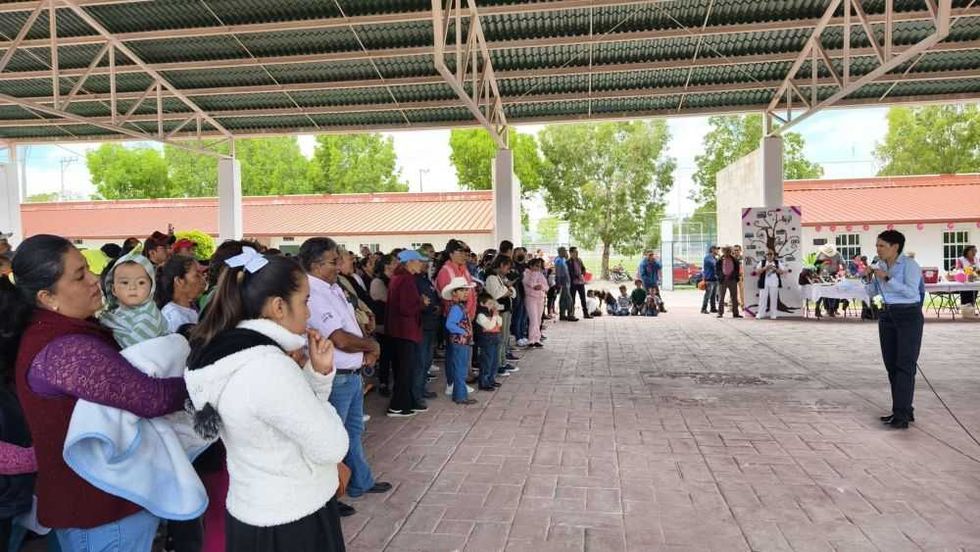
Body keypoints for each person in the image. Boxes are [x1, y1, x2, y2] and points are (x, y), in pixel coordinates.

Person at [2, 234, 188, 550]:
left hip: (100, 500)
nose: (94, 280)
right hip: (99, 507)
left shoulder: (60, 331)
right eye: (79, 276)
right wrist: (206, 380)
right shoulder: (63, 349)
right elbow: (151, 397)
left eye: (89, 269)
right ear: (48, 297)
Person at [184, 249, 350, 551]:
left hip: (254, 511)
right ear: (278, 306)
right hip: (294, 518)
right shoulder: (266, 367)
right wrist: (318, 388)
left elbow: (279, 420)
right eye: (305, 301)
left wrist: (318, 376)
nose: (309, 312)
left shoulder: (226, 357)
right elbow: (331, 445)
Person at [299, 238, 391, 519]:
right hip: (334, 377)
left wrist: (366, 346)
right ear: (315, 265)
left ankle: (360, 481)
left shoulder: (333, 288)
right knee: (332, 439)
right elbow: (339, 338)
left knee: (352, 432)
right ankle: (330, 495)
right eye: (332, 261)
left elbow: (352, 326)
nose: (339, 265)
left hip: (350, 374)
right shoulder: (312, 293)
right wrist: (371, 346)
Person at [863, 230, 924, 430]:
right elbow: (873, 292)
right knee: (891, 365)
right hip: (887, 315)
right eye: (877, 246)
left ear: (895, 247)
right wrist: (868, 279)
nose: (878, 250)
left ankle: (902, 415)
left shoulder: (910, 266)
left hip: (908, 315)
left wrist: (888, 278)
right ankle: (903, 409)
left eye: (882, 246)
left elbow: (911, 291)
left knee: (905, 365)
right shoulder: (879, 266)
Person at [385, 250, 430, 418]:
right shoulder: (405, 279)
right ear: (409, 262)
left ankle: (406, 402)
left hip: (401, 331)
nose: (421, 264)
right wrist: (422, 303)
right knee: (405, 370)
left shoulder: (400, 277)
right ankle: (397, 405)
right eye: (419, 261)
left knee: (405, 369)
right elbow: (405, 308)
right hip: (405, 331)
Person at [99, 246, 169, 348]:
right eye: (125, 282)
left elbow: (134, 351)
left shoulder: (149, 317)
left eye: (141, 282)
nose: (132, 287)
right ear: (113, 289)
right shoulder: (113, 313)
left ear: (152, 287)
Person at [436, 240, 476, 397]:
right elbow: (449, 297)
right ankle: (452, 384)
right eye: (461, 252)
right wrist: (462, 317)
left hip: (466, 316)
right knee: (454, 354)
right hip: (457, 317)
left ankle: (460, 383)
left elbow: (471, 293)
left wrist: (470, 313)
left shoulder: (463, 269)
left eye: (466, 252)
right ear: (451, 253)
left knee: (462, 356)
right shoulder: (446, 271)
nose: (465, 255)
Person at [443, 277, 477, 405]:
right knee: (460, 369)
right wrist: (464, 332)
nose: (466, 293)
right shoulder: (457, 308)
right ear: (454, 293)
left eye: (466, 290)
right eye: (462, 290)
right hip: (460, 342)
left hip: (462, 342)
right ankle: (460, 396)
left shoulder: (459, 307)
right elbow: (450, 324)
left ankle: (460, 394)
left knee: (460, 368)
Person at [484, 256, 518, 377]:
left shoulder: (499, 277)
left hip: (506, 310)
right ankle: (498, 364)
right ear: (501, 265)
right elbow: (496, 294)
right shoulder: (491, 277)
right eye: (507, 268)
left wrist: (507, 290)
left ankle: (502, 361)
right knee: (500, 339)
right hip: (499, 311)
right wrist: (506, 289)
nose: (508, 271)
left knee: (504, 338)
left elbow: (513, 292)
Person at [156, 255, 207, 334]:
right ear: (179, 281)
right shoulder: (175, 317)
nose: (203, 278)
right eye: (197, 275)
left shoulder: (190, 307)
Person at [370, 254, 397, 397]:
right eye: (394, 262)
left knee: (392, 352)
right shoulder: (378, 282)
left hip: (393, 322)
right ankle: (383, 382)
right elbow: (390, 300)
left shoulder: (392, 279)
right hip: (383, 323)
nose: (397, 264)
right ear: (387, 265)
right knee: (385, 354)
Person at [415, 252, 441, 399]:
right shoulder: (414, 280)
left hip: (431, 323)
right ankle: (418, 392)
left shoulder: (425, 279)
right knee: (421, 361)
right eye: (423, 262)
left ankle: (422, 388)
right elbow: (420, 301)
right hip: (423, 325)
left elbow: (433, 296)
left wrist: (437, 306)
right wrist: (431, 307)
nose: (426, 264)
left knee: (427, 360)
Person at [473, 292, 502, 391]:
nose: (492, 306)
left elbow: (500, 323)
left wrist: (496, 315)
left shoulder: (491, 313)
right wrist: (494, 316)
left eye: (492, 304)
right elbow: (489, 326)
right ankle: (484, 382)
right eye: (489, 304)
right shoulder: (481, 314)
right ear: (482, 303)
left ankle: (491, 379)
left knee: (494, 361)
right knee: (486, 362)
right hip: (486, 341)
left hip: (495, 339)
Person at [522, 258, 548, 348]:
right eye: (536, 266)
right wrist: (534, 274)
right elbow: (530, 283)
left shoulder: (540, 274)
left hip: (540, 299)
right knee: (533, 319)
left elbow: (546, 286)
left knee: (538, 319)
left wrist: (541, 286)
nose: (538, 268)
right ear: (531, 265)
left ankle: (537, 338)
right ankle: (531, 339)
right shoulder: (526, 274)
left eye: (539, 266)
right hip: (531, 299)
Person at [756, 249, 784, 320]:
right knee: (762, 298)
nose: (769, 256)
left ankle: (773, 314)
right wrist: (765, 268)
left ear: (773, 255)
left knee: (774, 298)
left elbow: (782, 272)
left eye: (771, 254)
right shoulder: (762, 262)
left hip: (774, 282)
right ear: (765, 255)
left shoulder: (777, 262)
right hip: (764, 282)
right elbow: (757, 272)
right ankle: (761, 314)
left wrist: (775, 269)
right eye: (768, 254)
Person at [716, 246, 742, 318]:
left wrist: (733, 276)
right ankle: (720, 313)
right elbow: (717, 270)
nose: (727, 252)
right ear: (723, 252)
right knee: (721, 297)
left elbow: (737, 270)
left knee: (734, 297)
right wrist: (721, 276)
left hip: (732, 280)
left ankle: (735, 313)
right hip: (723, 280)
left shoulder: (734, 260)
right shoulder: (719, 260)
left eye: (728, 251)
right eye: (725, 251)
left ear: (730, 252)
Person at [567, 247, 590, 319]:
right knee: (572, 299)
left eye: (577, 252)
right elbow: (570, 273)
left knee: (583, 298)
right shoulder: (568, 262)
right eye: (575, 252)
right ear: (571, 253)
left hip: (581, 282)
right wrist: (577, 277)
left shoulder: (579, 260)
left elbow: (583, 268)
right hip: (573, 283)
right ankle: (571, 314)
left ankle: (585, 314)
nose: (576, 253)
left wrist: (583, 273)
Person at [955, 245, 978, 314]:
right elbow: (958, 270)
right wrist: (968, 270)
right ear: (967, 251)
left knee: (974, 292)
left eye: (975, 251)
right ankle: (964, 309)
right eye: (972, 251)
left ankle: (971, 309)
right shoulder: (961, 259)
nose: (974, 253)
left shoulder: (977, 259)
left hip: (975, 280)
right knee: (965, 292)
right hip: (964, 281)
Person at [554, 247, 575, 322]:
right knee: (568, 299)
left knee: (563, 299)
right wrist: (558, 283)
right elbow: (558, 274)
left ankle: (562, 315)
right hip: (563, 283)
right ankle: (570, 314)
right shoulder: (559, 261)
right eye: (564, 251)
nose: (566, 252)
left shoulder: (563, 260)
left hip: (566, 282)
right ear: (561, 252)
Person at [701, 246, 719, 314]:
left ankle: (713, 308)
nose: (717, 251)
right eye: (716, 249)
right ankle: (703, 309)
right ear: (712, 250)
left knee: (713, 295)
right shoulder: (708, 257)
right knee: (708, 295)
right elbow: (714, 264)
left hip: (715, 279)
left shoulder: (714, 258)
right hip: (709, 279)